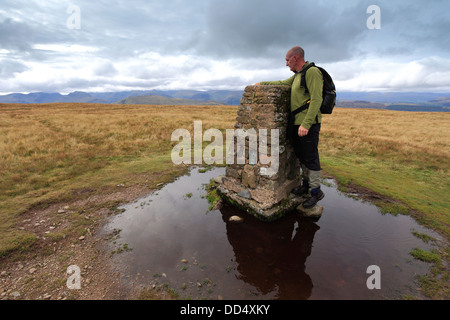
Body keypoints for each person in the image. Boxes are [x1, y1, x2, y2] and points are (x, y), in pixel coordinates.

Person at [255, 46, 324, 208]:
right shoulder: (298, 75)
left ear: (295, 58)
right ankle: (306, 186)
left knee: (311, 158)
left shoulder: (312, 72)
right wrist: (261, 84)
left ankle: (316, 192)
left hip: (308, 125)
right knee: (302, 156)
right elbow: (281, 83)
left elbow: (316, 99)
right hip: (297, 124)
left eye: (287, 60)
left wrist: (306, 124)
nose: (286, 64)